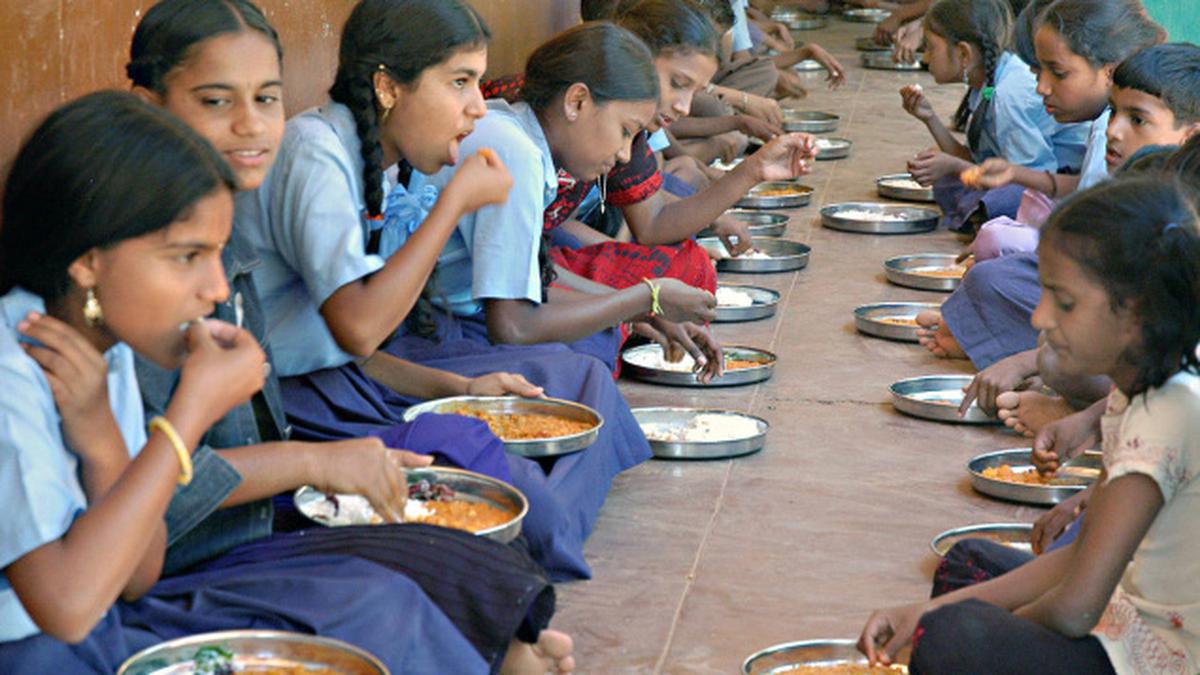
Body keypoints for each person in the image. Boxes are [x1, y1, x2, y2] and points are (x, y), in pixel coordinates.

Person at [123, 3, 574, 672]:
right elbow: (354, 327)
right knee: (409, 570)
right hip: (216, 500)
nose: (251, 124)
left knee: (465, 521)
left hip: (259, 459)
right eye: (216, 100)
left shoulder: (222, 227)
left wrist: (453, 390)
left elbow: (351, 346)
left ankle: (506, 633)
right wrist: (316, 462)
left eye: (266, 97)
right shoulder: (139, 256)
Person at [0, 90, 488, 674]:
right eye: (187, 257)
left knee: (388, 602)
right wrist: (187, 416)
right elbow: (68, 609)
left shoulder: (104, 343)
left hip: (99, 624)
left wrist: (104, 441)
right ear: (87, 261)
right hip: (36, 651)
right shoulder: (16, 370)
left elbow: (136, 574)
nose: (214, 289)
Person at [858, 176, 1200, 675]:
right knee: (966, 567)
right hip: (1121, 616)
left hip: (1157, 659)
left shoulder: (1166, 414)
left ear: (1135, 313)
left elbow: (1073, 606)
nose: (1039, 317)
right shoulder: (1143, 385)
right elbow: (1082, 554)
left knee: (953, 636)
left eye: (1064, 302)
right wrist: (932, 611)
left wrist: (966, 622)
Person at [393, 22, 723, 374]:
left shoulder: (524, 140)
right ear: (576, 101)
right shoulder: (514, 152)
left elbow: (536, 283)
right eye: (625, 132)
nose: (626, 154)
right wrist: (645, 296)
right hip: (424, 327)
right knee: (583, 369)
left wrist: (645, 308)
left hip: (454, 313)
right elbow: (512, 326)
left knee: (598, 339)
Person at [916, 0, 1167, 366]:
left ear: (1108, 74)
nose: (1042, 88)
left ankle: (997, 338)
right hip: (1090, 265)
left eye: (1057, 73)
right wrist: (1013, 177)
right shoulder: (1107, 126)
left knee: (994, 271)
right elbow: (1085, 189)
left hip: (1112, 290)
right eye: (1038, 72)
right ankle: (983, 329)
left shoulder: (1114, 129)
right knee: (997, 262)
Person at [899, 0, 1089, 230]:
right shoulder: (988, 84)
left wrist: (956, 167)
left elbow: (1028, 181)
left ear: (963, 53)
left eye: (930, 47)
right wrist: (929, 118)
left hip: (1061, 184)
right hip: (1030, 177)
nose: (926, 58)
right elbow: (980, 159)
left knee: (1002, 198)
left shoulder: (1009, 94)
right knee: (944, 169)